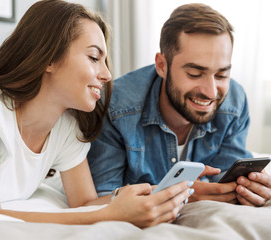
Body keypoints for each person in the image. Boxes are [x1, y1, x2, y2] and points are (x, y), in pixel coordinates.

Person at [0, 0, 193, 228]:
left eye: (105, 61)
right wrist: (108, 216)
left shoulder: (67, 126)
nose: (107, 74)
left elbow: (82, 203)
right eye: (94, 57)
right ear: (49, 58)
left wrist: (144, 196)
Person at [88, 3, 271, 207]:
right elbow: (102, 199)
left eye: (221, 75)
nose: (211, 92)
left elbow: (226, 180)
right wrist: (181, 195)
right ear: (162, 66)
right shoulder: (115, 106)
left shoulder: (234, 102)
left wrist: (248, 190)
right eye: (194, 74)